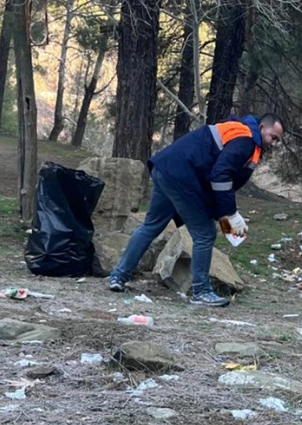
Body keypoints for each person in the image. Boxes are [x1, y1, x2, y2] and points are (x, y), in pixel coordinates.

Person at [108, 113, 284, 307]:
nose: (274, 143)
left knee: (151, 226)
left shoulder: (237, 130)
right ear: (261, 128)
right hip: (182, 178)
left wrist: (223, 215)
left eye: (277, 140)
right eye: (273, 137)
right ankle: (201, 291)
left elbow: (212, 177)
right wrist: (231, 214)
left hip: (166, 169)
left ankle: (118, 276)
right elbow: (220, 176)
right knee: (205, 233)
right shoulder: (247, 141)